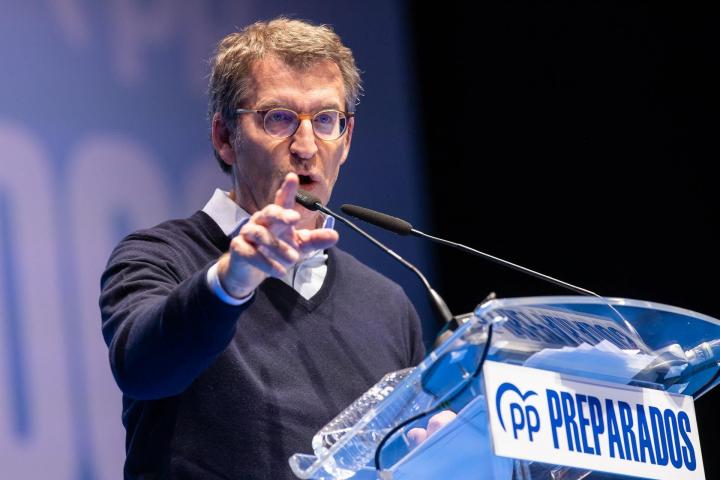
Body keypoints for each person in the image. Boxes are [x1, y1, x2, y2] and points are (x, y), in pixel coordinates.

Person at [99, 17, 425, 480]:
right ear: (224, 137)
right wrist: (230, 282)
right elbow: (143, 370)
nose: (306, 146)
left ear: (347, 138)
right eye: (279, 118)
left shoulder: (388, 306)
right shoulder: (158, 256)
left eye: (325, 120)